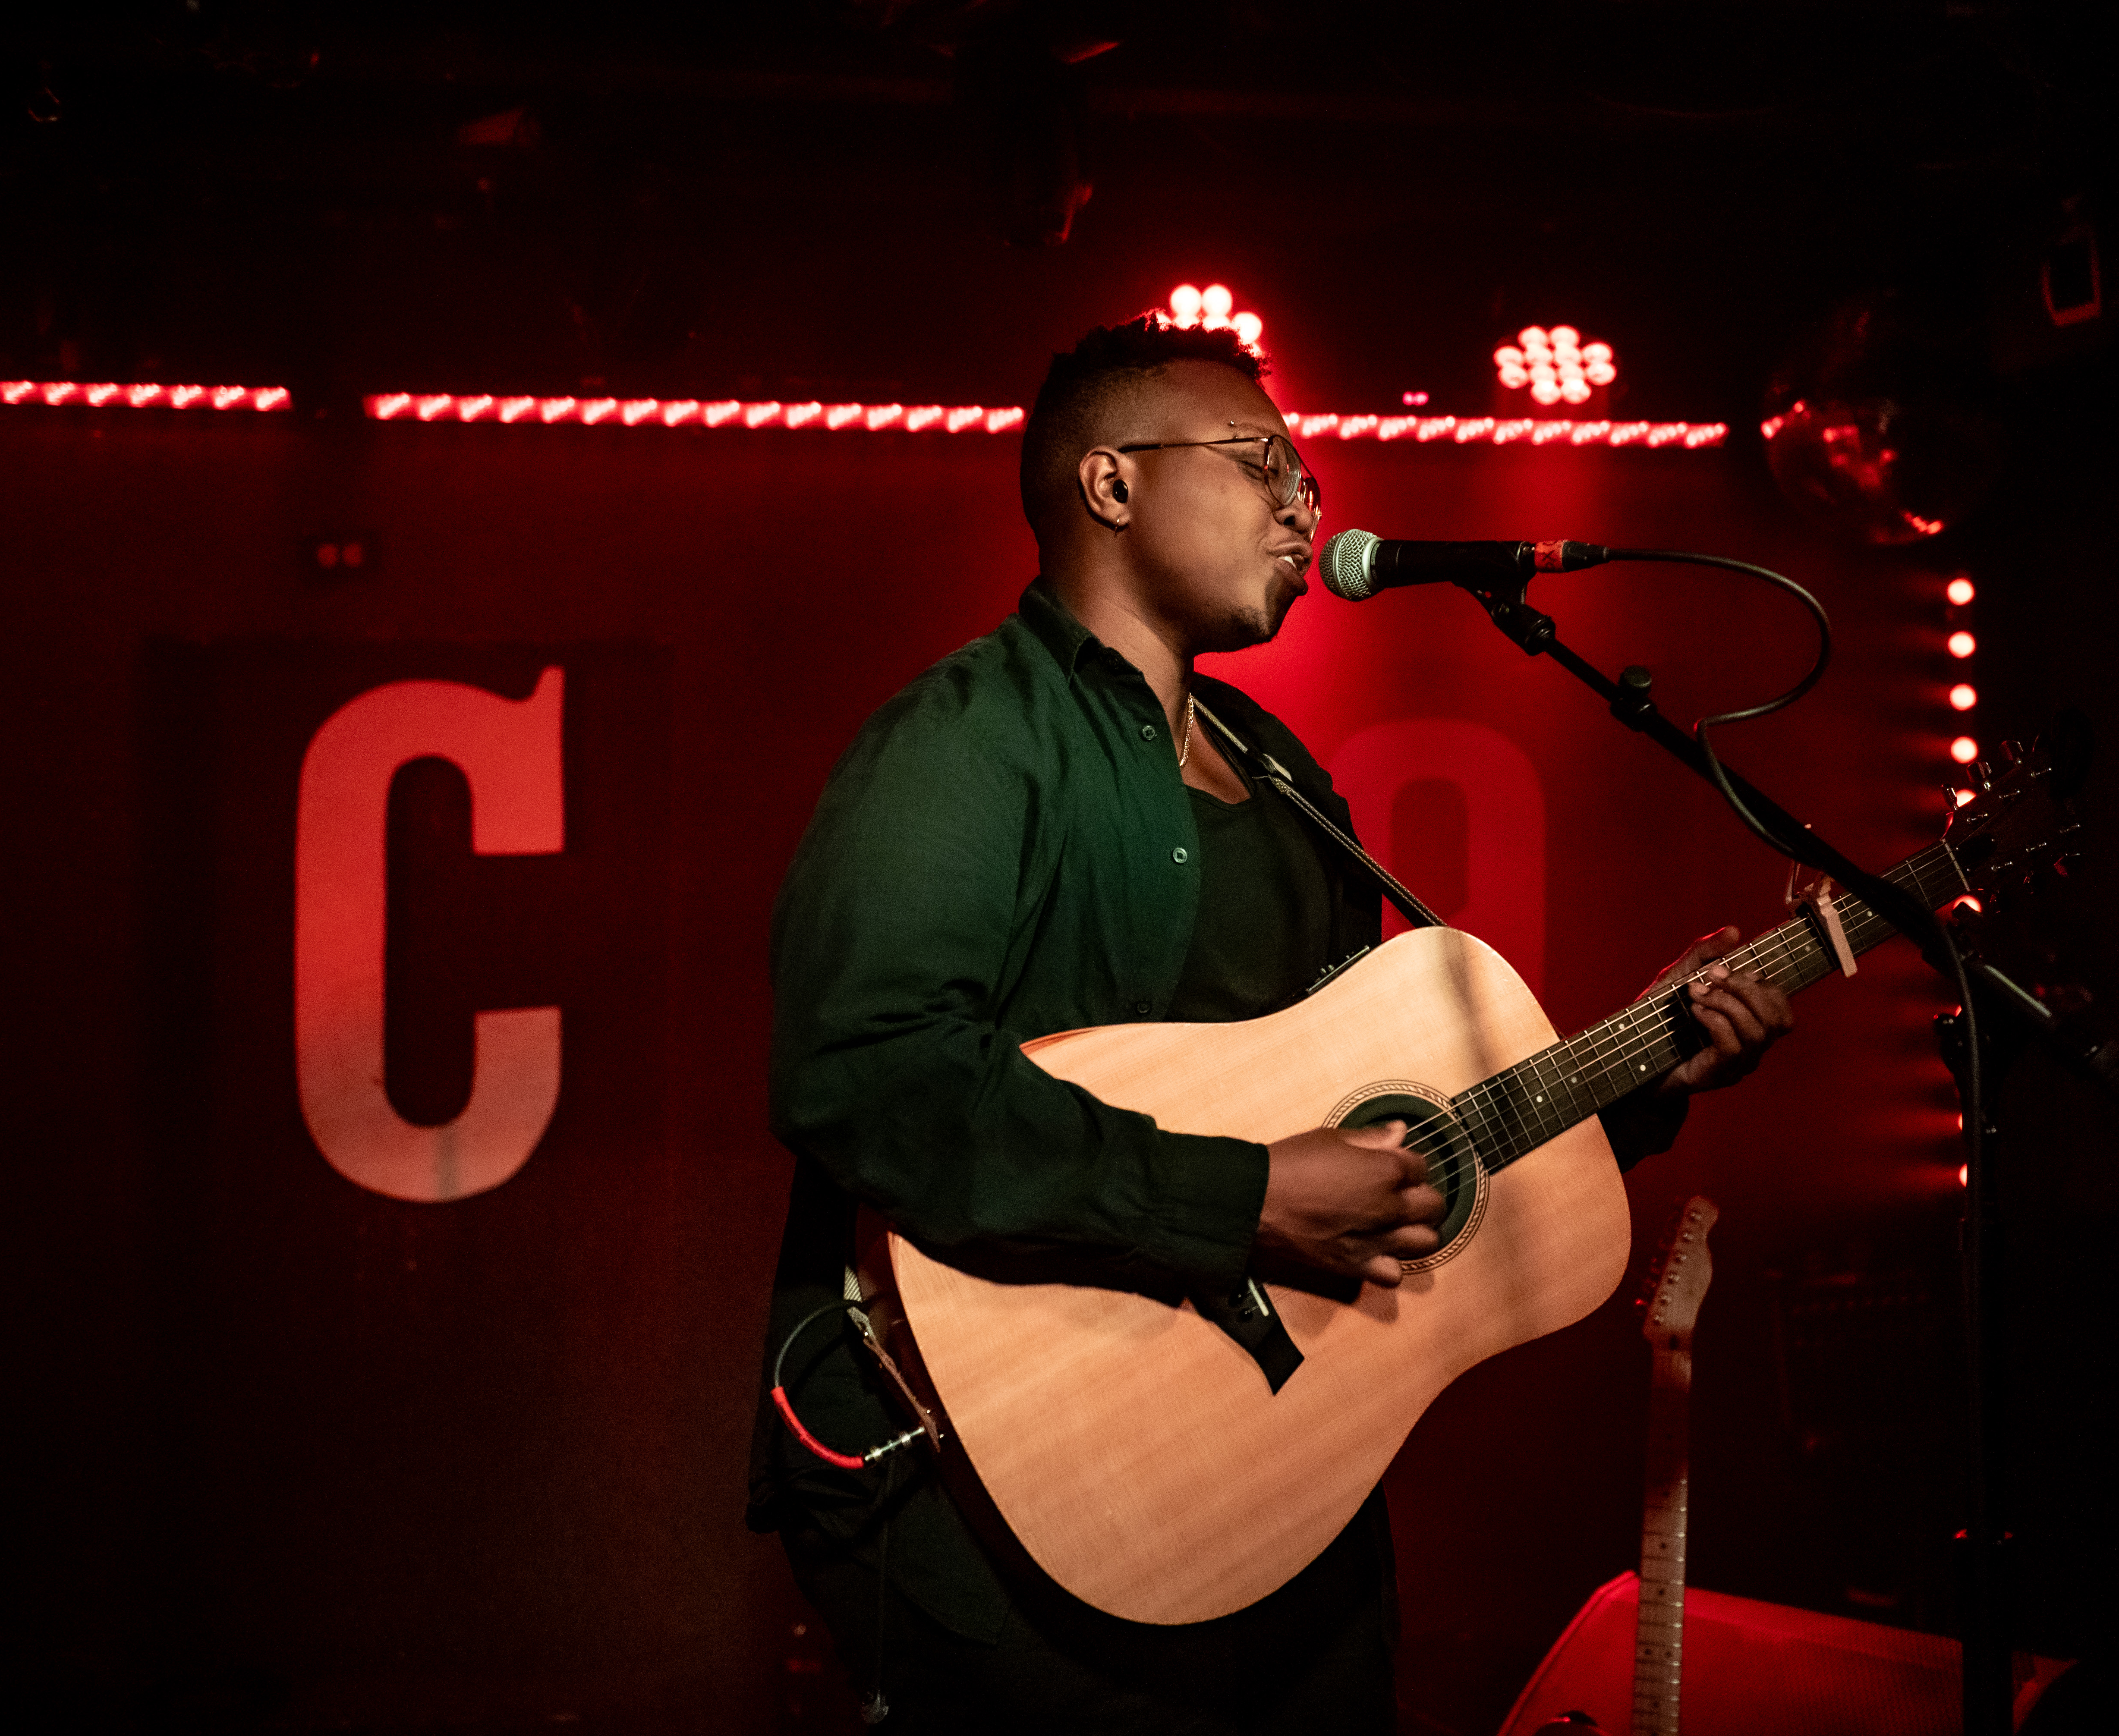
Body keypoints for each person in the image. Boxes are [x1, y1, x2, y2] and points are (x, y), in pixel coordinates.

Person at [749, 314, 1793, 1733]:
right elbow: (866, 1079)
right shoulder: (967, 740)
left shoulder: (1283, 770)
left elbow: (1375, 1133)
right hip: (1001, 1480)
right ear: (1110, 485)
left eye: (1303, 468)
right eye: (1258, 460)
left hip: (1273, 1483)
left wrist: (1644, 1075)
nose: (1307, 499)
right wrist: (1239, 1199)